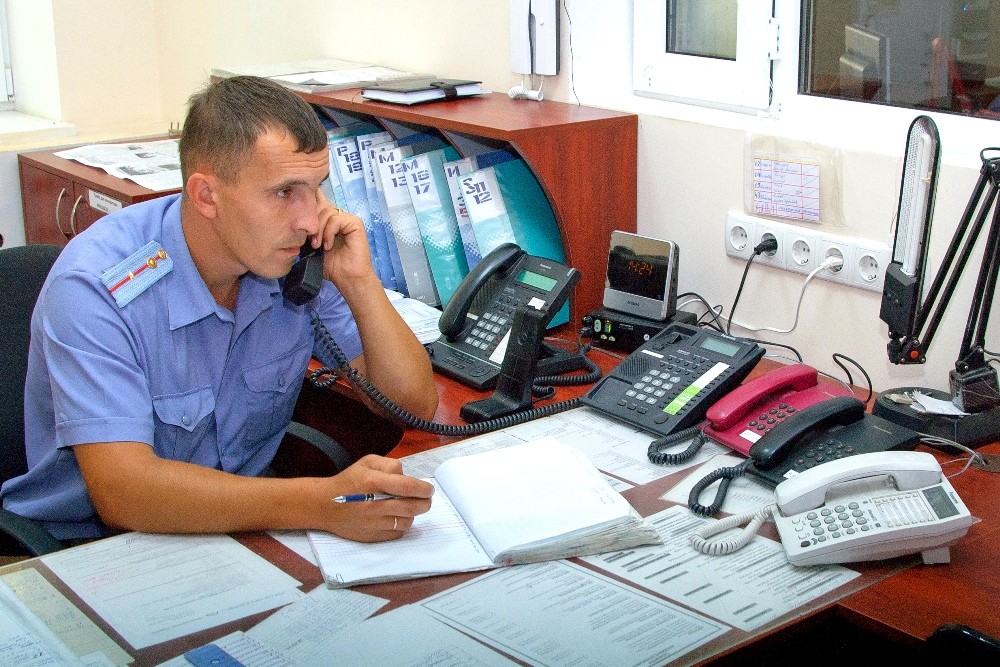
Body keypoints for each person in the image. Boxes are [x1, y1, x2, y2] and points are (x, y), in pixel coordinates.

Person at [1, 76, 438, 543]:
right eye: (284, 192)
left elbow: (414, 406)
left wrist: (358, 281)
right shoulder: (96, 288)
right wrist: (321, 503)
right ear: (206, 195)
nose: (310, 220)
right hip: (90, 547)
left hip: (240, 526)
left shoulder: (295, 261)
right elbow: (123, 492)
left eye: (316, 189)